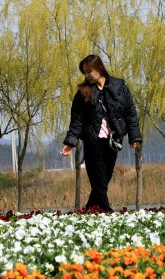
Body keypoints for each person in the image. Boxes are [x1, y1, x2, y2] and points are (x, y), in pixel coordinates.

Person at [61, 54, 142, 212]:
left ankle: (90, 209)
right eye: (84, 72)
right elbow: (77, 120)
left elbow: (130, 113)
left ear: (99, 68)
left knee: (103, 180)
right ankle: (107, 211)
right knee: (98, 180)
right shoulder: (83, 92)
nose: (87, 75)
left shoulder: (120, 87)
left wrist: (134, 137)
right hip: (93, 141)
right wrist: (69, 143)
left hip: (113, 141)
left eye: (89, 71)